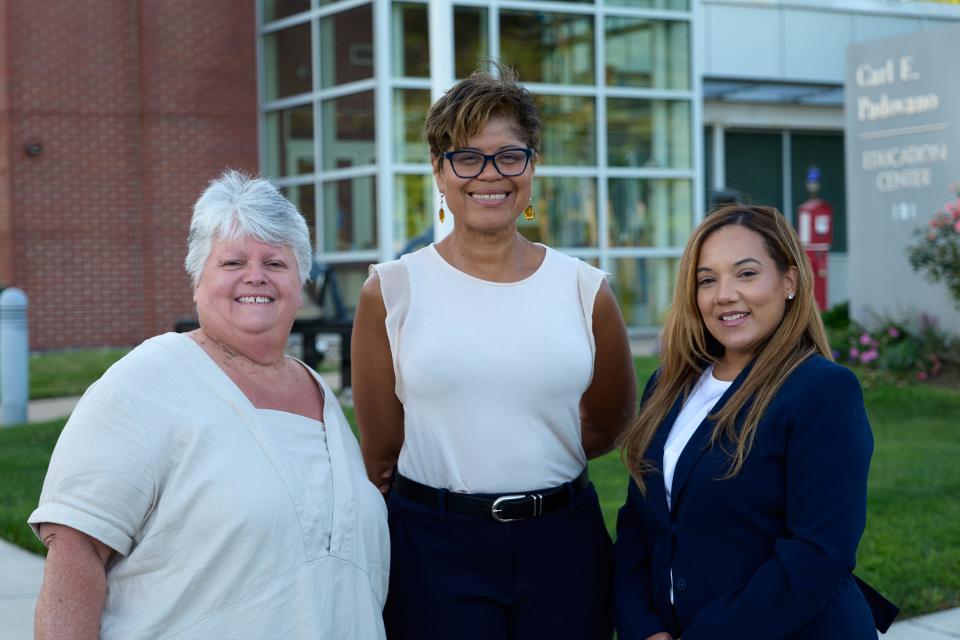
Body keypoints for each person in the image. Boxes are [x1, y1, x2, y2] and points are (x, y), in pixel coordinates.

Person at [29, 171, 389, 639]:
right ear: (198, 280)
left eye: (276, 263)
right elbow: (75, 553)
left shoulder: (317, 391)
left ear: (301, 284)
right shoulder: (142, 385)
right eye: (233, 261)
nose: (255, 276)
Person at [351, 64, 637, 640]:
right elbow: (381, 452)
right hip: (433, 547)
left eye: (509, 155)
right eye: (466, 157)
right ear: (439, 170)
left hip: (562, 543)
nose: (490, 174)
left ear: (531, 167)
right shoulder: (391, 290)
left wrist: (525, 452)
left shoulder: (585, 290)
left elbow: (611, 422)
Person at [614, 205, 897, 639]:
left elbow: (817, 552)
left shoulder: (822, 391)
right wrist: (644, 628)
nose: (724, 294)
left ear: (789, 281)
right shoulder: (668, 385)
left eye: (746, 274)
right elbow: (640, 523)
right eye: (707, 279)